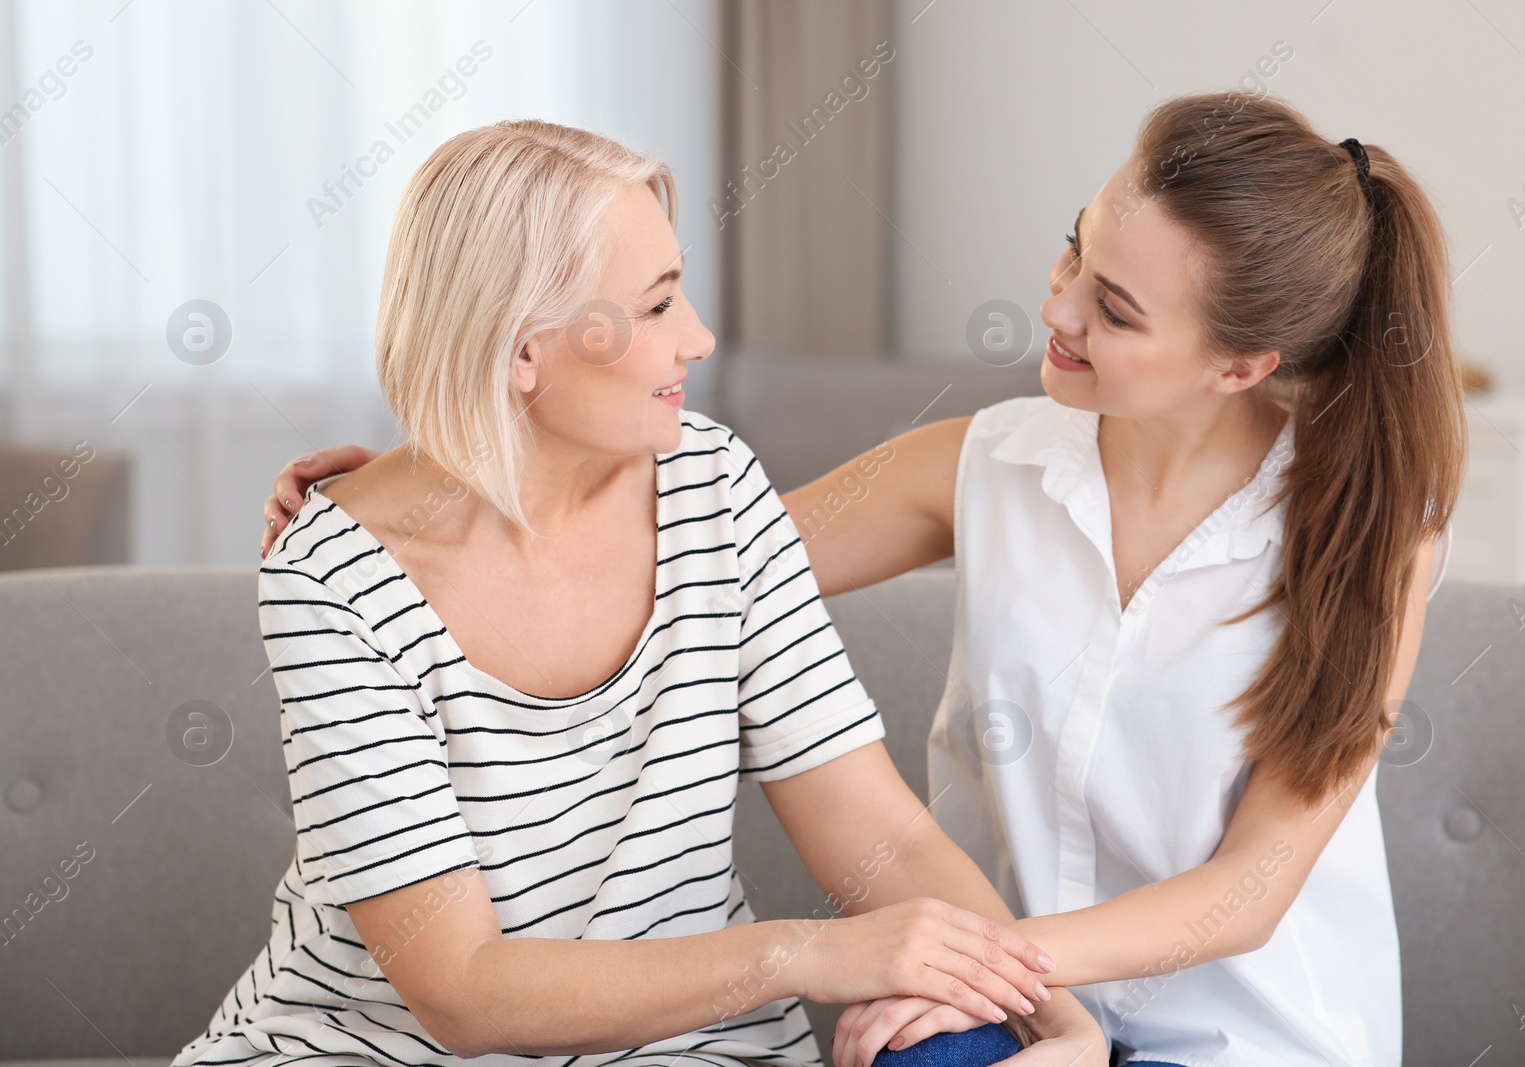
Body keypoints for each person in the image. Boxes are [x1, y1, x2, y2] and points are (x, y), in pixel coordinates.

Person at [265, 90, 1465, 1066]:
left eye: (1112, 306)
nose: (1052, 303)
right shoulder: (976, 463)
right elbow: (680, 565)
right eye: (1073, 251)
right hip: (991, 991)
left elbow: (1246, 893)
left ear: (1238, 364)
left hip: (1237, 1029)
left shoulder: (1367, 537)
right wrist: (449, 472)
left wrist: (1003, 983)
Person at [192, 118, 1111, 1067]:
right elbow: (462, 991)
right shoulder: (333, 576)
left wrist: (1057, 1018)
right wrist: (806, 950)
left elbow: (875, 829)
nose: (701, 339)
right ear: (521, 353)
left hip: (690, 1048)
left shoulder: (714, 484)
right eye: (661, 304)